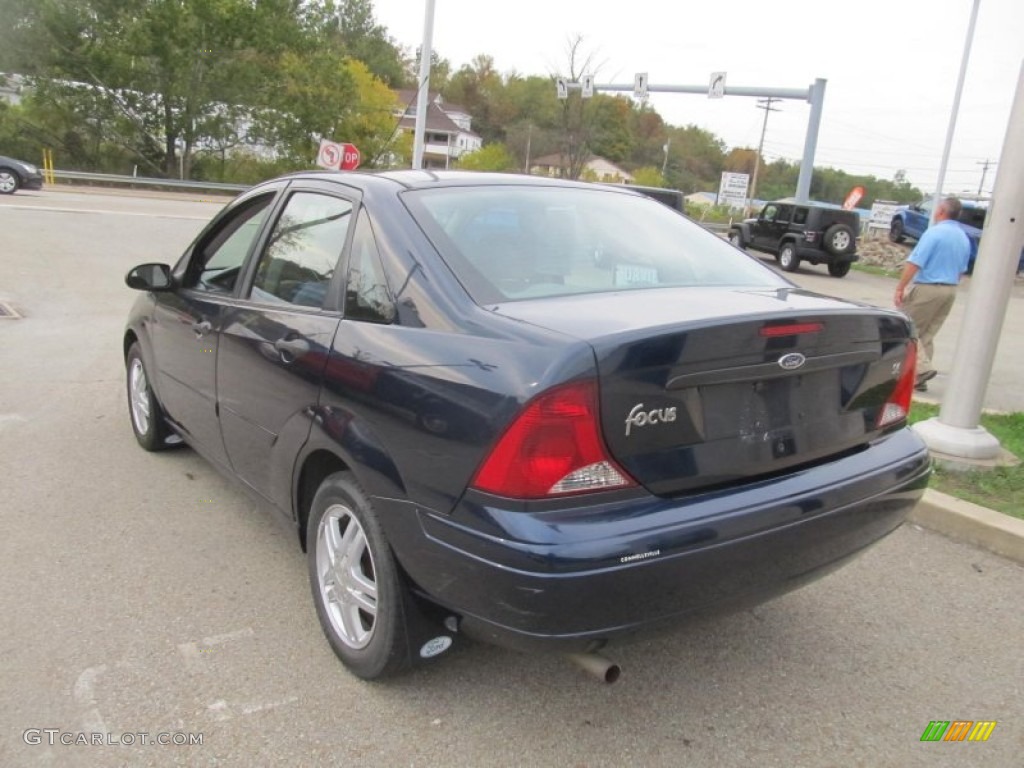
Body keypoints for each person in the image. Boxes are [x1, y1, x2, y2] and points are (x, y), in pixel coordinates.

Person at [893, 196, 972, 391]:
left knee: (907, 328)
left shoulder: (934, 233)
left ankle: (920, 371)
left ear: (941, 211)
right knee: (926, 334)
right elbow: (962, 269)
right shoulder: (963, 237)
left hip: (929, 287)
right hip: (950, 290)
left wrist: (901, 287)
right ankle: (919, 380)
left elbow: (915, 262)